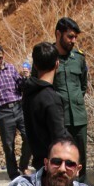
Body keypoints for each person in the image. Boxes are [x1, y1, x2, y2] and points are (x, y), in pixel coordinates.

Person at [0, 43, 31, 180]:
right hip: (3, 112)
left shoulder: (11, 69)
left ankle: (24, 165)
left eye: (0, 58)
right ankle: (14, 175)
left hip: (18, 107)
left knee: (29, 137)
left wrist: (25, 77)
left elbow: (21, 86)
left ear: (4, 56)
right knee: (8, 145)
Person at [22, 42, 67, 172]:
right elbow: (59, 138)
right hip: (54, 168)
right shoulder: (51, 99)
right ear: (57, 63)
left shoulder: (28, 93)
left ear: (35, 65)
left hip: (39, 164)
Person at [53, 17, 88, 181]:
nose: (73, 41)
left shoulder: (79, 58)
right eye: (70, 36)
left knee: (81, 161)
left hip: (79, 119)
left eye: (75, 37)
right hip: (59, 120)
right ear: (58, 34)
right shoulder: (48, 56)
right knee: (62, 161)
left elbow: (83, 86)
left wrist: (75, 101)